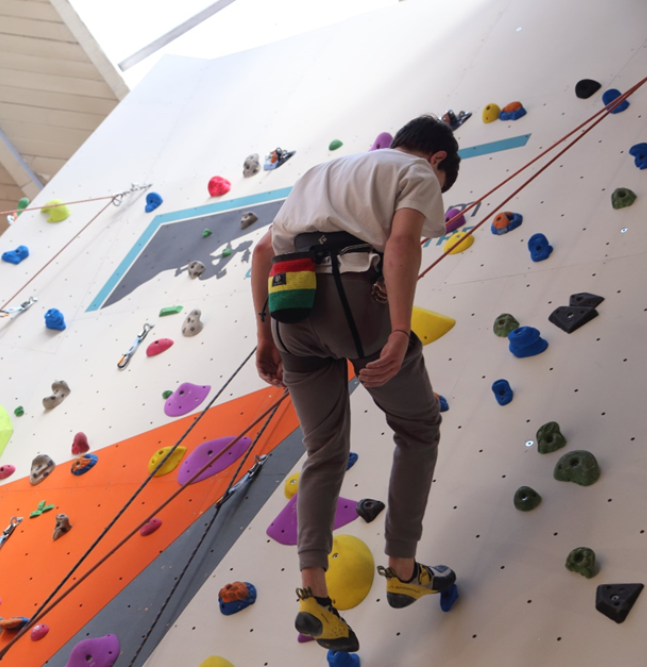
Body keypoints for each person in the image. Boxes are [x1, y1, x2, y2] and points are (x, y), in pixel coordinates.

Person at [250, 115, 460, 651]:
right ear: (437, 159)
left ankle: (314, 596)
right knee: (418, 429)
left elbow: (262, 252)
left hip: (290, 311)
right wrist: (398, 331)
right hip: (355, 307)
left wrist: (264, 336)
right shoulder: (415, 172)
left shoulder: (319, 173)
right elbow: (403, 242)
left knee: (323, 452)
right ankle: (403, 568)